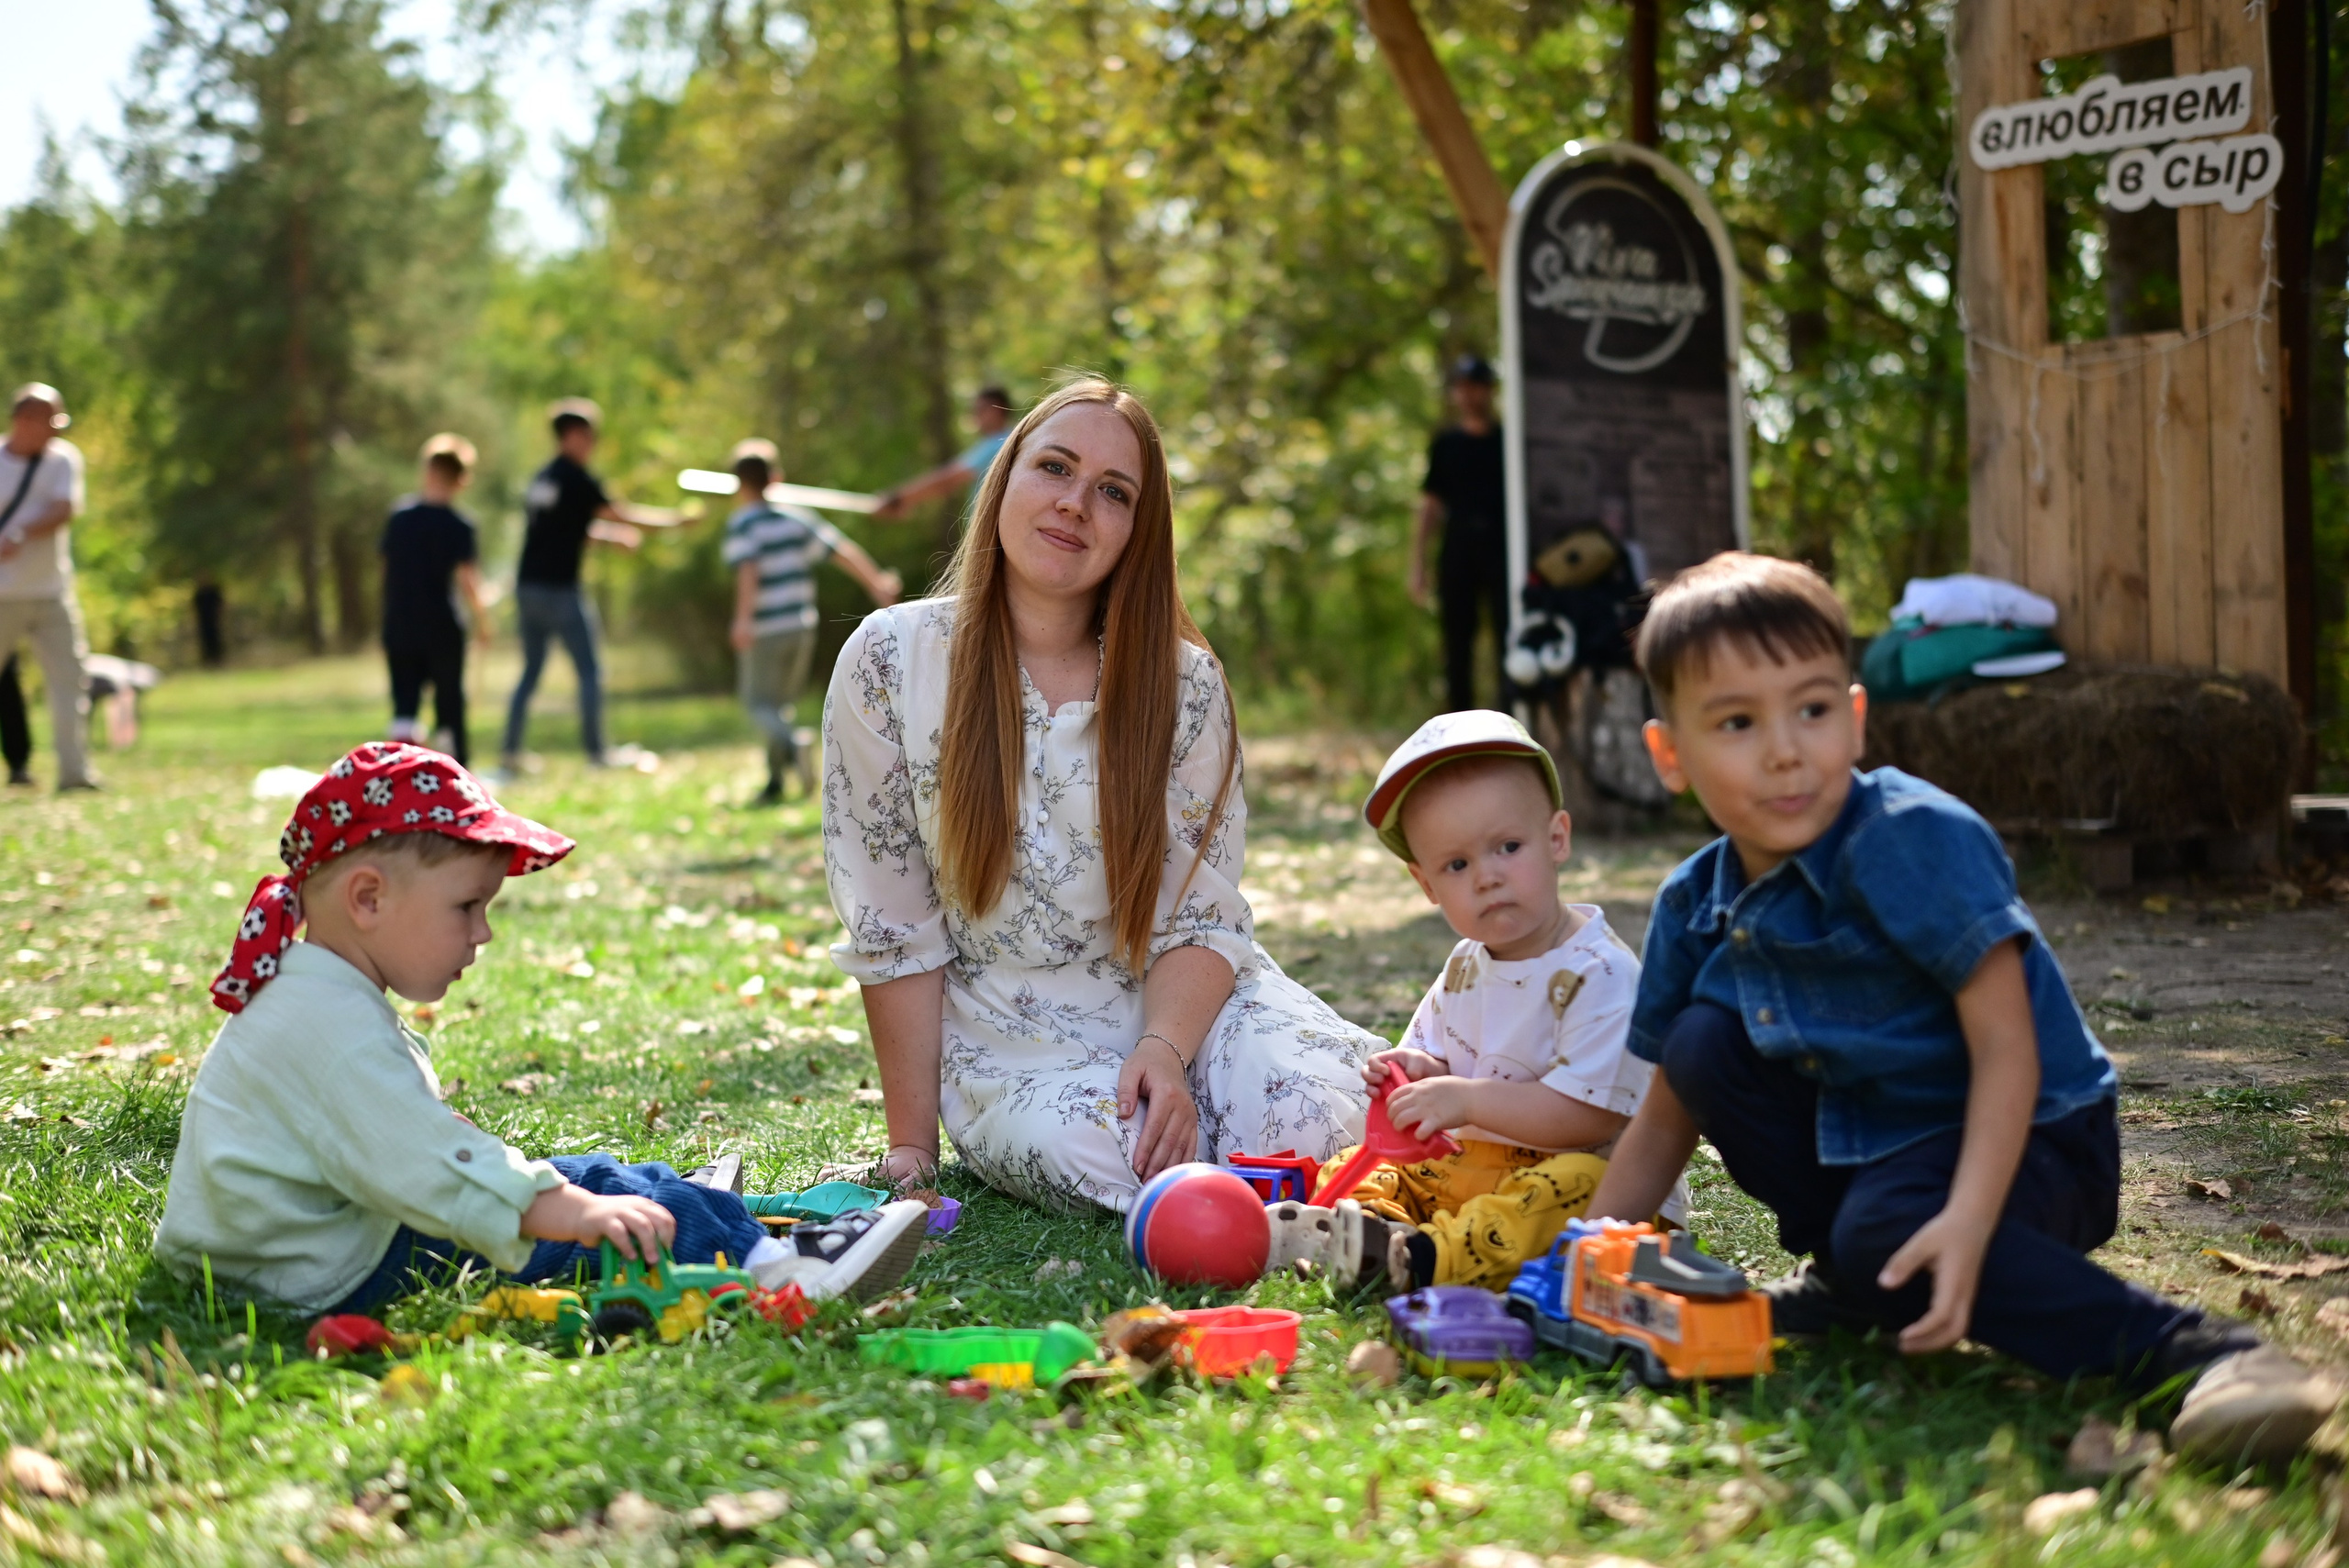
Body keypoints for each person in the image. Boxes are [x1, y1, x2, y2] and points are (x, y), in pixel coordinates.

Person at [1582, 551, 2343, 1469]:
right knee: (1702, 1042)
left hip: (2034, 1139)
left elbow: (2007, 1049)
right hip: (1875, 1152)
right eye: (1737, 721)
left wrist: (1969, 1214)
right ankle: (1862, 1280)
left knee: (1889, 1227)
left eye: (1812, 709)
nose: (1785, 748)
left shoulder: (1912, 837)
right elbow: (1667, 1110)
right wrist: (1580, 1267)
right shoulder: (1692, 903)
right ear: (1670, 754)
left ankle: (2200, 1355)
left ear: (1856, 719)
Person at [822, 375, 1378, 1211]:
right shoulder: (891, 661)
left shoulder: (1184, 686)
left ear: (1136, 532)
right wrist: (911, 1146)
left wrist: (1164, 1047)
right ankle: (1249, 1205)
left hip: (1184, 1006)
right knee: (1111, 1154)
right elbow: (891, 924)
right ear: (1004, 478)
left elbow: (1200, 913)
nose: (1075, 503)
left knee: (1328, 1114)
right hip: (1015, 1042)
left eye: (1113, 492)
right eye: (1054, 467)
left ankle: (1301, 1185)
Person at [156, 740, 930, 1314]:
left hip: (271, 1253)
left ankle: (677, 1200)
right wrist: (570, 1213)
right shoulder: (327, 1025)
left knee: (575, 1171)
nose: (482, 933)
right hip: (328, 1269)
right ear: (367, 898)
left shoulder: (304, 991)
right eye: (466, 906)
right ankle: (780, 1266)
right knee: (587, 1195)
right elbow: (430, 1163)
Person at [1263, 710, 1684, 1291]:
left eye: (1507, 847)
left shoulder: (1599, 974)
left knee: (1566, 1190)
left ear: (1557, 837)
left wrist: (1466, 1101)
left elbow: (1588, 1115)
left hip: (1579, 1174)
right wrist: (1418, 1072)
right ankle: (1360, 1228)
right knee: (1376, 1162)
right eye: (1457, 865)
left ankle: (1426, 1259)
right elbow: (1444, 1061)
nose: (1487, 877)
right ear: (1427, 885)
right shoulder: (1466, 965)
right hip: (1472, 1165)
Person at [500, 399, 687, 773]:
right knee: (589, 670)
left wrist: (611, 537)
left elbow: (565, 531)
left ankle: (510, 751)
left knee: (531, 670)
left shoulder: (544, 478)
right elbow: (624, 514)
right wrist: (676, 522)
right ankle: (598, 753)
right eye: (588, 435)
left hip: (527, 587)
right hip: (559, 590)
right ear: (570, 435)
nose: (593, 442)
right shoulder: (577, 477)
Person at [723, 439, 902, 806]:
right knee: (781, 706)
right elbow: (842, 550)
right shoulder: (797, 518)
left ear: (738, 482)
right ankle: (776, 781)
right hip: (801, 624)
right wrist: (877, 583)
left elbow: (749, 570)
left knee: (759, 704)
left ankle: (794, 748)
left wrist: (742, 621)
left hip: (764, 626)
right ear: (776, 477)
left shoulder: (743, 523)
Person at [0, 383, 94, 792]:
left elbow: (64, 508)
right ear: (24, 420)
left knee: (70, 681)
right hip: (1, 596)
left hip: (52, 592)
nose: (58, 428)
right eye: (51, 420)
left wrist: (20, 533)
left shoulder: (63, 460)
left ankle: (75, 774)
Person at [381, 434, 492, 766]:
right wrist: (483, 621)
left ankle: (399, 779)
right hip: (442, 624)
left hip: (400, 622)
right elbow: (468, 581)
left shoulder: (399, 518)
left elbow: (387, 572)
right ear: (462, 479)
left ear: (428, 471)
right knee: (449, 704)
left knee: (405, 703)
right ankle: (454, 777)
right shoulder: (460, 525)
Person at [1410, 356, 1509, 714]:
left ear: (1489, 390)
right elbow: (1430, 505)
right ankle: (1457, 726)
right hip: (1458, 552)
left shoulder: (1508, 443)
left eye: (1476, 387)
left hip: (1503, 554)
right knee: (1456, 645)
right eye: (1461, 388)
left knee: (1509, 640)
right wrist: (1419, 564)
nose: (1468, 396)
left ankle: (1510, 723)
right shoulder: (1446, 444)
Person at [872, 384, 1016, 522]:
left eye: (980, 409)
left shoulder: (1000, 444)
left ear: (996, 410)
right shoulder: (1000, 442)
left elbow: (949, 479)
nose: (975, 415)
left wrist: (898, 499)